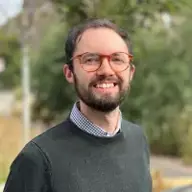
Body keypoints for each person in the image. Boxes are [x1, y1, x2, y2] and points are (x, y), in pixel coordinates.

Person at [4, 18, 152, 192]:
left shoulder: (138, 140)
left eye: (117, 59)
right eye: (91, 60)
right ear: (69, 73)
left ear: (131, 72)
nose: (106, 70)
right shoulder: (38, 160)